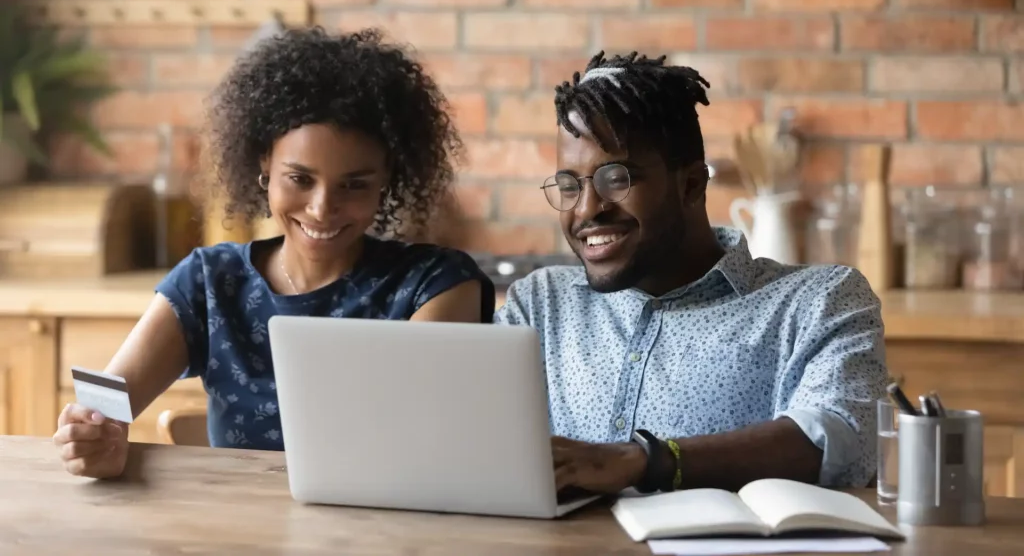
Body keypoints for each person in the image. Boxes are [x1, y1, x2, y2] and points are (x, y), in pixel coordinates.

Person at [54, 27, 495, 478]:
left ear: (388, 180)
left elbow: (424, 446)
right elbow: (104, 410)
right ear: (265, 164)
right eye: (300, 179)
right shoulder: (210, 282)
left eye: (354, 184)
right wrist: (91, 438)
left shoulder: (435, 286)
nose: (322, 208)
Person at [494, 50, 887, 497]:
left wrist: (642, 462)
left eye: (616, 179)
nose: (587, 211)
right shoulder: (540, 306)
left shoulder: (819, 301)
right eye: (570, 186)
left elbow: (844, 441)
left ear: (692, 185)